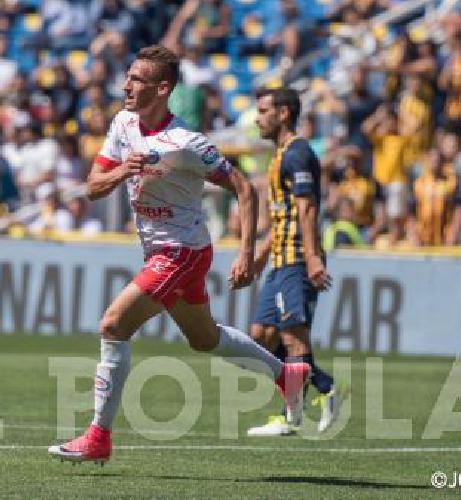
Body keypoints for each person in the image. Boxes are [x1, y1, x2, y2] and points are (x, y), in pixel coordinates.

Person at [47, 46, 310, 465]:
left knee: (114, 325)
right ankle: (287, 375)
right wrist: (123, 171)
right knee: (205, 340)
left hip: (181, 251)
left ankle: (98, 436)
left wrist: (244, 252)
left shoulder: (186, 143)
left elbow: (243, 187)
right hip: (161, 250)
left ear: (163, 88)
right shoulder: (123, 124)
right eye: (128, 76)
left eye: (136, 79)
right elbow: (94, 185)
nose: (126, 85)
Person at [244, 88, 342, 437]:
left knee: (292, 336)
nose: (257, 118)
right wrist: (259, 257)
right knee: (260, 337)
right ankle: (324, 386)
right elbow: (282, 216)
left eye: (263, 110)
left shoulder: (298, 154)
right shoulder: (280, 156)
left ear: (283, 113)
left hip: (298, 259)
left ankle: (294, 415)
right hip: (280, 258)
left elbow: (307, 208)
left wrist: (313, 257)